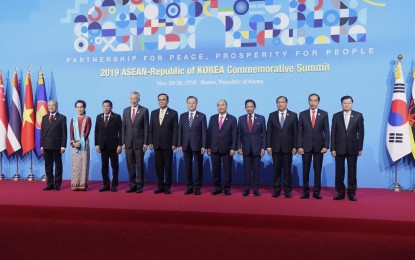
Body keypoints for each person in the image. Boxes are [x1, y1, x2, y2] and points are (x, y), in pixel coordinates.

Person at [331, 95, 364, 201]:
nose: (347, 105)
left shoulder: (358, 115)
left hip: (353, 148)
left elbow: (361, 133)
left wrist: (360, 148)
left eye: (349, 103)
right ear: (341, 104)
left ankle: (351, 192)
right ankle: (340, 192)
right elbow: (333, 133)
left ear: (352, 104)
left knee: (352, 171)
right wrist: (332, 148)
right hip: (339, 147)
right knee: (339, 171)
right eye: (345, 103)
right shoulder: (336, 116)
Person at [297, 94, 330, 199]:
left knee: (317, 170)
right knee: (305, 170)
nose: (312, 102)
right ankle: (305, 192)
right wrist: (299, 146)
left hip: (319, 147)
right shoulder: (302, 114)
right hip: (305, 147)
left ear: (318, 102)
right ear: (308, 101)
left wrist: (326, 145)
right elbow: (299, 132)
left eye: (315, 100)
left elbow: (327, 131)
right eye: (311, 100)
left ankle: (316, 192)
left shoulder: (324, 114)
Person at [267, 96, 298, 198]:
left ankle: (287, 190)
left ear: (286, 104)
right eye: (278, 102)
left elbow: (295, 133)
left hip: (288, 148)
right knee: (276, 170)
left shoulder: (293, 115)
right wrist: (269, 146)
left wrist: (295, 146)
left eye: (282, 102)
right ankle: (276, 190)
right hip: (275, 147)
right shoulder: (272, 115)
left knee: (287, 170)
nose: (280, 104)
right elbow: (269, 132)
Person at [149, 93, 178, 194]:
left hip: (168, 144)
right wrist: (150, 142)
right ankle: (160, 185)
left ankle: (167, 186)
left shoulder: (173, 113)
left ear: (167, 101)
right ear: (158, 101)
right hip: (156, 144)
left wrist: (174, 143)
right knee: (158, 166)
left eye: (163, 100)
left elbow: (175, 130)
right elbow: (151, 129)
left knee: (168, 166)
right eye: (160, 100)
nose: (161, 101)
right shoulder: (153, 113)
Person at [207, 99, 237, 196]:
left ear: (226, 106)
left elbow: (234, 135)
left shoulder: (232, 119)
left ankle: (227, 188)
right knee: (216, 170)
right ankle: (217, 188)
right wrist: (208, 147)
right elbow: (209, 133)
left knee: (227, 170)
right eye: (219, 105)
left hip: (227, 149)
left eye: (222, 105)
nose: (221, 107)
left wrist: (233, 148)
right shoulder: (212, 118)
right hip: (214, 148)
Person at [178, 96, 207, 195]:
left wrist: (204, 145)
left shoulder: (202, 116)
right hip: (185, 145)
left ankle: (197, 187)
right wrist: (179, 144)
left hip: (198, 145)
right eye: (189, 103)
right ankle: (189, 186)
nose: (191, 104)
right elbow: (180, 131)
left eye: (193, 103)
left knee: (198, 167)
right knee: (188, 167)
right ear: (187, 104)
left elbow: (204, 132)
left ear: (196, 104)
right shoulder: (182, 116)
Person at [237, 99, 266, 196]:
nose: (249, 108)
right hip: (245, 149)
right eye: (247, 106)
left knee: (256, 170)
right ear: (245, 108)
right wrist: (239, 147)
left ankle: (256, 189)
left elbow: (264, 135)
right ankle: (246, 188)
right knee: (247, 170)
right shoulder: (241, 119)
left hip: (257, 148)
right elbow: (239, 135)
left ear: (254, 107)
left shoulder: (261, 118)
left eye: (251, 106)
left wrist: (263, 148)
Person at [122, 91, 149, 193]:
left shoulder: (144, 110)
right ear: (129, 99)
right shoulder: (125, 110)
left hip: (139, 142)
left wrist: (145, 142)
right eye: (132, 98)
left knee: (139, 165)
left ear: (139, 99)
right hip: (128, 142)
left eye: (135, 99)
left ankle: (139, 186)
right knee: (130, 165)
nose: (133, 100)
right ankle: (132, 185)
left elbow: (146, 127)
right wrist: (123, 142)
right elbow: (123, 127)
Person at [95, 100, 122, 192]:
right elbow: (96, 131)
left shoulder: (117, 117)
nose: (106, 108)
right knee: (104, 166)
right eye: (104, 106)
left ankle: (114, 185)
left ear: (111, 107)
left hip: (114, 146)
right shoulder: (99, 117)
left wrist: (120, 145)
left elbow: (121, 131)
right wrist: (97, 144)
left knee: (115, 166)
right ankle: (106, 185)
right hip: (103, 145)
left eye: (107, 106)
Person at [40, 100, 67, 191]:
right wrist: (42, 145)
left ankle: (57, 184)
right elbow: (42, 133)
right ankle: (50, 184)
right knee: (48, 165)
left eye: (53, 105)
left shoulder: (62, 118)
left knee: (58, 166)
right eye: (49, 105)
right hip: (46, 146)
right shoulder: (44, 117)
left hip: (57, 146)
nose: (51, 107)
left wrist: (63, 146)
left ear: (57, 106)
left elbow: (64, 133)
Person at [69, 100, 91, 191]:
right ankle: (75, 184)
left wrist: (80, 142)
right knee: (75, 164)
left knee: (83, 164)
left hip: (84, 143)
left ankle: (82, 184)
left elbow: (87, 131)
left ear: (84, 108)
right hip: (74, 144)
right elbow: (71, 131)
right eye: (77, 107)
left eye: (81, 107)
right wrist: (73, 142)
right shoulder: (73, 119)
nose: (79, 109)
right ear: (75, 108)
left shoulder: (88, 119)